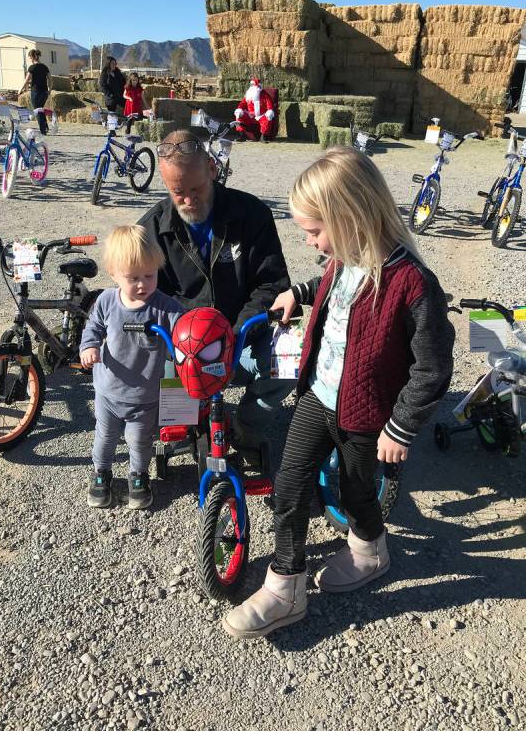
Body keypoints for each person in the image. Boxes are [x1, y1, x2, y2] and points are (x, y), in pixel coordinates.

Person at [222, 146, 455, 639]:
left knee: (355, 493)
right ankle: (285, 586)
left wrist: (401, 425)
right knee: (288, 485)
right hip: (318, 395)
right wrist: (298, 294)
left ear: (351, 217)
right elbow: (331, 283)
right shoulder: (343, 257)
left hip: (368, 417)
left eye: (314, 231)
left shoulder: (413, 284)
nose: (310, 243)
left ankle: (370, 551)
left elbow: (432, 368)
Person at [138, 129, 294, 457]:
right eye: (177, 192)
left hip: (240, 340)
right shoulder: (152, 228)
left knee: (291, 359)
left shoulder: (252, 215)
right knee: (157, 380)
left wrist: (232, 334)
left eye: (197, 188)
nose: (190, 200)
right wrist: (186, 336)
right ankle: (185, 424)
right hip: (186, 347)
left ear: (212, 168)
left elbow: (272, 284)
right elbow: (145, 296)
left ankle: (247, 426)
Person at [80, 225, 183, 510]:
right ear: (113, 274)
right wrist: (88, 347)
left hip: (144, 398)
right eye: (133, 278)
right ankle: (101, 473)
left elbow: (186, 332)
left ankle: (138, 476)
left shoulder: (165, 308)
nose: (143, 284)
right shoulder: (106, 302)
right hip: (108, 393)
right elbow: (93, 328)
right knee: (106, 436)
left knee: (139, 441)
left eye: (150, 276)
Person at [18, 49, 52, 135]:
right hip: (44, 92)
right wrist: (50, 90)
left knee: (37, 110)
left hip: (36, 92)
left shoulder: (32, 68)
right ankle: (45, 127)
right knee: (40, 109)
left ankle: (43, 130)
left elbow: (26, 80)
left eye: (29, 57)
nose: (29, 59)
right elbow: (50, 80)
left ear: (32, 57)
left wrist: (20, 90)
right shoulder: (45, 67)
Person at [234, 77, 276, 142]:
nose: (253, 87)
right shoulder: (248, 95)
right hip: (250, 115)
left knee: (268, 117)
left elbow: (269, 105)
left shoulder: (264, 95)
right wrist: (239, 109)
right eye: (252, 85)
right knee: (239, 116)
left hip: (261, 115)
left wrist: (270, 111)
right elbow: (242, 103)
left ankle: (263, 137)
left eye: (254, 85)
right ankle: (242, 135)